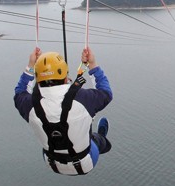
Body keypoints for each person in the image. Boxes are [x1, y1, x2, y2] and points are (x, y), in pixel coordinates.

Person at [14, 46, 113, 175]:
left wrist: (31, 65)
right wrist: (92, 64)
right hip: (85, 162)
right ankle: (100, 138)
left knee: (50, 133)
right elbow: (106, 92)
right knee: (98, 141)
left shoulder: (29, 104)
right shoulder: (83, 99)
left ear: (38, 78)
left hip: (52, 163)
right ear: (65, 75)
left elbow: (20, 92)